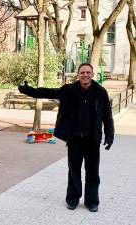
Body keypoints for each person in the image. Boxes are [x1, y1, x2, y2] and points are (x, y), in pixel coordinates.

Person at [18, 63, 114, 212]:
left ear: (92, 74)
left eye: (88, 72)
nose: (85, 75)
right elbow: (48, 92)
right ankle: (73, 199)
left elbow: (107, 116)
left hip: (92, 140)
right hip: (74, 139)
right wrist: (28, 91)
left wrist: (109, 135)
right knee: (74, 170)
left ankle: (92, 201)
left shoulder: (100, 92)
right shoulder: (69, 90)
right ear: (78, 74)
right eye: (82, 72)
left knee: (93, 171)